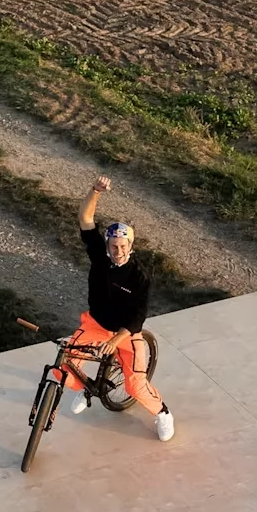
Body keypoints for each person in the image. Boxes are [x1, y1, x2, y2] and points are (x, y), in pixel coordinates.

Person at [58, 175, 174, 441]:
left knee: (135, 385)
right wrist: (95, 190)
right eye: (113, 246)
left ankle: (163, 412)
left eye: (123, 246)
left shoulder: (139, 277)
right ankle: (86, 390)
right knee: (66, 363)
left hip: (126, 333)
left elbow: (138, 317)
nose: (118, 250)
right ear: (107, 246)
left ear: (131, 247)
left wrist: (117, 339)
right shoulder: (100, 256)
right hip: (96, 324)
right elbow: (85, 219)